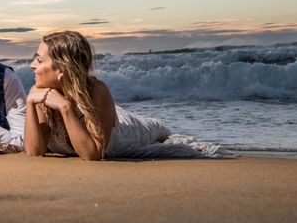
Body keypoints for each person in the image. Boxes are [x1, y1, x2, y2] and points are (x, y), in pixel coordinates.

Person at [25, 31, 227, 160]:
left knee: (160, 131)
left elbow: (92, 154)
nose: (32, 65)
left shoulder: (96, 91)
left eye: (39, 60)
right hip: (108, 116)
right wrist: (30, 105)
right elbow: (34, 152)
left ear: (61, 70)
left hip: (128, 128)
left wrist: (65, 107)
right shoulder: (41, 95)